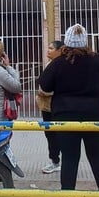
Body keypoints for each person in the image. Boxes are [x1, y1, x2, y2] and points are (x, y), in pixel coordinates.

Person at [37, 24, 99, 197]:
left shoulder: (59, 62)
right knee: (97, 156)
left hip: (66, 114)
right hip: (94, 114)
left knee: (70, 158)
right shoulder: (97, 60)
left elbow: (45, 84)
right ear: (85, 41)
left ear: (67, 41)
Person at [37, 40, 64, 174]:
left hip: (54, 105)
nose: (48, 50)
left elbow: (53, 87)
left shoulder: (60, 65)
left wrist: (42, 91)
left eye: (51, 48)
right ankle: (54, 159)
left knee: (55, 134)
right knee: (50, 134)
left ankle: (55, 161)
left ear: (60, 50)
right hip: (46, 106)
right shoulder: (50, 64)